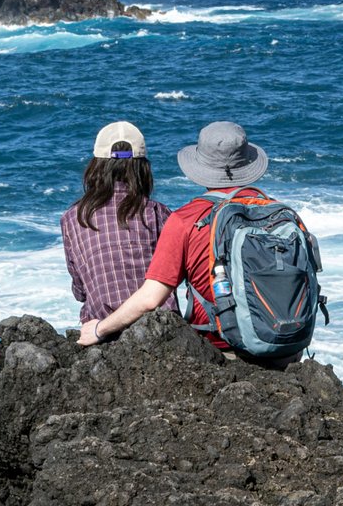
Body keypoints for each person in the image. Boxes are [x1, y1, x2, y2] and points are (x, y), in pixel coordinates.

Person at [77, 120, 270, 357]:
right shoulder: (280, 213)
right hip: (283, 342)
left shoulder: (184, 220)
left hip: (220, 345)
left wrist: (99, 329)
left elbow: (149, 299)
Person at [61, 121, 177, 326]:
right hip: (161, 326)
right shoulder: (158, 213)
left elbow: (79, 292)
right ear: (142, 168)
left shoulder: (72, 218)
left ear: (96, 165)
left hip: (100, 329)